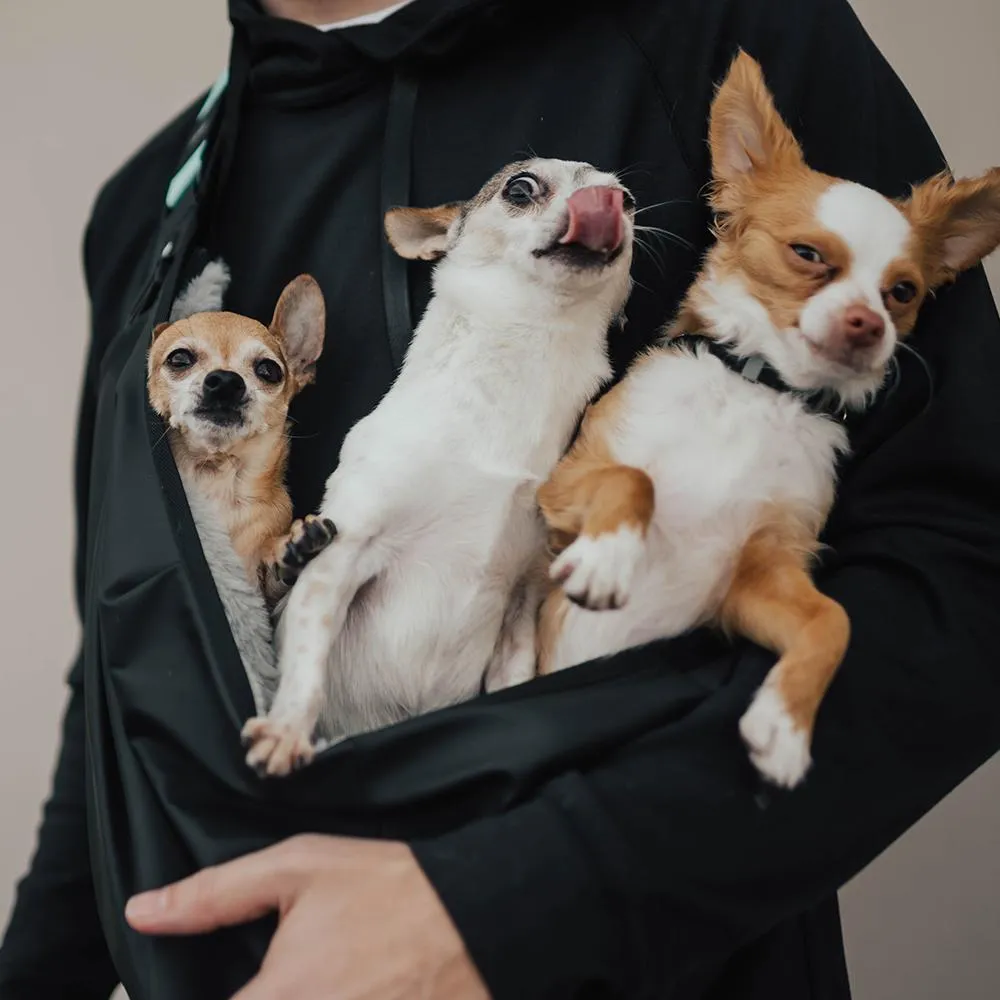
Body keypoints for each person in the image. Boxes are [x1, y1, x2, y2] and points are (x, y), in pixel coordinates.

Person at [3, 0, 1000, 997]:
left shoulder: (712, 31)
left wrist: (510, 900)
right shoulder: (147, 206)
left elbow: (966, 558)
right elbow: (128, 672)